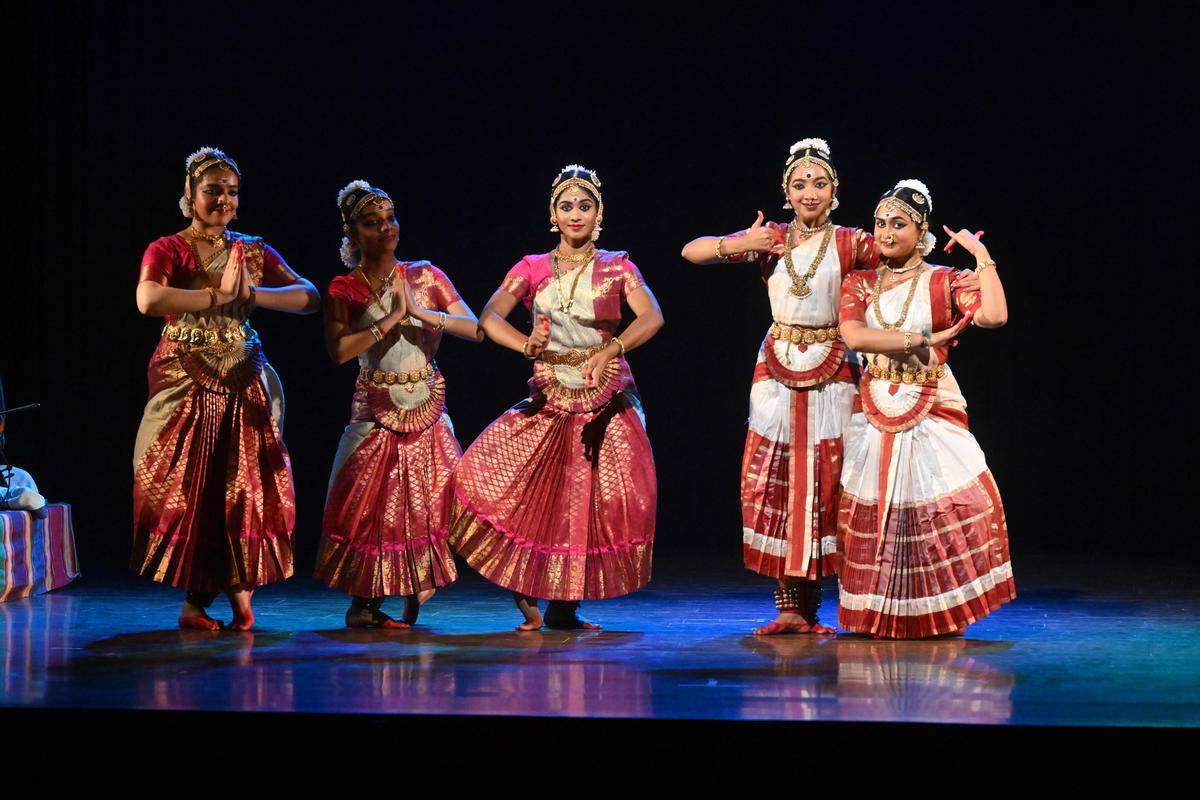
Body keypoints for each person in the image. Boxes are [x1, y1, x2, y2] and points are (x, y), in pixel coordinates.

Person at [450, 164, 663, 630]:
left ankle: (564, 606)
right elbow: (489, 316)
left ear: (599, 212)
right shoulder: (532, 268)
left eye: (584, 206)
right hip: (550, 392)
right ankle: (526, 581)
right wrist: (523, 344)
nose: (575, 215)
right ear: (553, 214)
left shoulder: (618, 266)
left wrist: (613, 347)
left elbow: (652, 316)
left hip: (605, 394)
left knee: (593, 499)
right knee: (514, 484)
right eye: (566, 206)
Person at [680, 139, 879, 634]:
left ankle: (831, 605)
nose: (809, 192)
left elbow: (899, 255)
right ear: (785, 193)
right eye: (799, 184)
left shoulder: (852, 242)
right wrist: (740, 245)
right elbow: (692, 252)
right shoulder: (769, 237)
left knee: (831, 480)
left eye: (819, 183)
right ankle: (790, 607)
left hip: (834, 364)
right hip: (776, 368)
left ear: (835, 191)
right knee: (780, 478)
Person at [132, 147, 319, 631]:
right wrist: (216, 296)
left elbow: (309, 296)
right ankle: (195, 602)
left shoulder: (253, 250)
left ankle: (240, 593)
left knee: (247, 484)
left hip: (242, 376)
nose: (224, 200)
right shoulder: (168, 248)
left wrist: (254, 296)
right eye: (212, 190)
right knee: (192, 487)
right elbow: (148, 298)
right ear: (190, 196)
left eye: (232, 192)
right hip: (185, 377)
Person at [836, 179, 1014, 638]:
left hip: (932, 400)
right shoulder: (858, 282)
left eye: (898, 224)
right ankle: (880, 613)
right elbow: (854, 337)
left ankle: (940, 611)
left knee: (941, 505)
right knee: (876, 508)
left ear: (922, 229)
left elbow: (993, 317)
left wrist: (981, 258)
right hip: (874, 403)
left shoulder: (945, 279)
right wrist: (917, 340)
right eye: (880, 223)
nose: (886, 233)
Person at [315, 180, 481, 628]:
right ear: (351, 233)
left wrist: (424, 315)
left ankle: (420, 578)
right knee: (367, 503)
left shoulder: (426, 275)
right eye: (372, 223)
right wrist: (391, 319)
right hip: (374, 404)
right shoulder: (343, 287)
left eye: (390, 219)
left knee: (439, 496)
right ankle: (364, 604)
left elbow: (474, 327)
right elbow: (338, 352)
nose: (386, 228)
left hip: (426, 401)